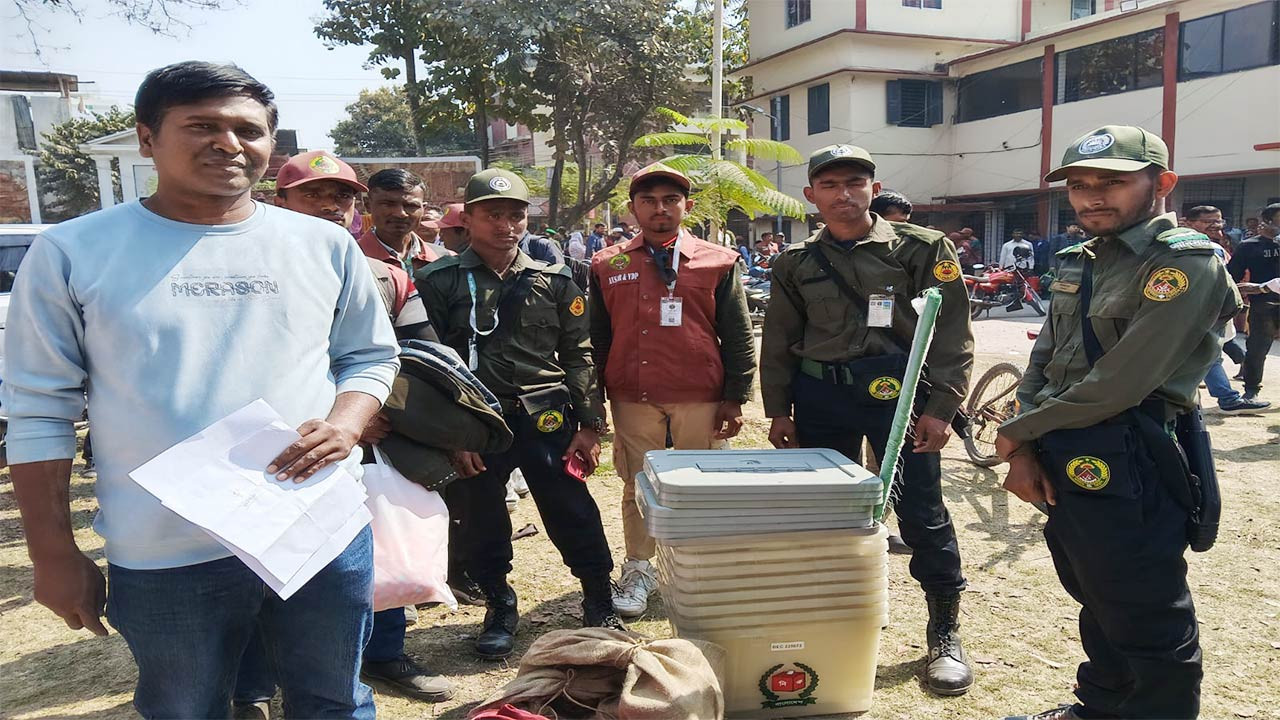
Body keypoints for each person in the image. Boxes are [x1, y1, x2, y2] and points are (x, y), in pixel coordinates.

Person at [2, 61, 400, 719]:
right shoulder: (73, 252)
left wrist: (347, 423)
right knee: (185, 709)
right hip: (164, 553)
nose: (229, 144)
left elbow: (369, 357)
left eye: (249, 129)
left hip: (317, 532)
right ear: (146, 138)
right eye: (202, 126)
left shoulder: (324, 245)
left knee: (334, 701)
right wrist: (53, 553)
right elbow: (38, 409)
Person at [996, 125, 1243, 720]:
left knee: (1146, 605)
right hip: (1063, 441)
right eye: (1079, 185)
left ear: (1162, 183)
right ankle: (1102, 706)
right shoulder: (1079, 259)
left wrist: (1023, 432)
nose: (1091, 198)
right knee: (1095, 590)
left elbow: (1124, 381)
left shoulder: (1183, 263)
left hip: (1135, 444)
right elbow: (1045, 361)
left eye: (1113, 182)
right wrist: (1025, 442)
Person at [760, 144, 975, 697]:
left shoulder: (924, 248)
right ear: (811, 197)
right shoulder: (794, 262)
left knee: (921, 508)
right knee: (826, 515)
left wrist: (942, 407)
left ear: (874, 190)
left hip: (900, 397)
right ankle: (833, 622)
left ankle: (944, 630)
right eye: (829, 185)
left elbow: (952, 334)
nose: (844, 194)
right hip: (821, 397)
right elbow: (779, 341)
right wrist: (778, 410)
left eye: (855, 182)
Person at [246, 150, 449, 710]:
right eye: (313, 194)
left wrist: (372, 414)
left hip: (370, 437)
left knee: (370, 553)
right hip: (266, 442)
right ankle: (258, 682)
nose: (332, 206)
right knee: (257, 561)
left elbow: (422, 354)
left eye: (342, 196)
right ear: (278, 200)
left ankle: (382, 654)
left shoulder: (386, 275)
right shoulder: (248, 268)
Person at [416, 168, 623, 661]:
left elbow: (579, 354)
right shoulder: (438, 280)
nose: (506, 224)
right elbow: (428, 363)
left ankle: (598, 595)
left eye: (515, 214)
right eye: (493, 214)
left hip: (546, 418)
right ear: (468, 218)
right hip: (477, 423)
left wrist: (591, 426)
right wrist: (452, 436)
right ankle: (499, 604)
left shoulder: (554, 279)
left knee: (571, 509)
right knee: (483, 517)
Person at [588, 162, 756, 618]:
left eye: (670, 200)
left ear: (687, 206)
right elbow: (597, 337)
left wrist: (736, 396)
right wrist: (595, 401)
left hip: (698, 392)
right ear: (632, 208)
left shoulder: (717, 261)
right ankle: (639, 567)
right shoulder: (607, 263)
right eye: (648, 201)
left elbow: (738, 334)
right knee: (636, 483)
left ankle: (697, 566)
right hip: (632, 393)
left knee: (700, 486)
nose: (659, 209)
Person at [1228, 202, 1280, 404]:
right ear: (1266, 221)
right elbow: (1232, 275)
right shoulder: (1249, 246)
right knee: (1257, 349)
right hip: (1263, 304)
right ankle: (1251, 389)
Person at [360, 169, 452, 276]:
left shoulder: (445, 259)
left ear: (423, 209)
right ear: (368, 206)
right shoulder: (349, 259)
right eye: (388, 204)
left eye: (411, 206)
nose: (401, 214)